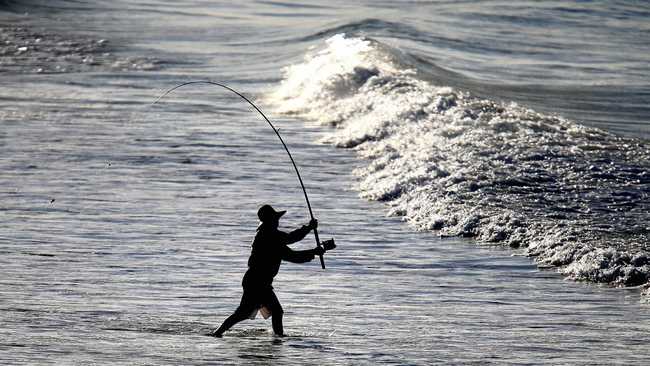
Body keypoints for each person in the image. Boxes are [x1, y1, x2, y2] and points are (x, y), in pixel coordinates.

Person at [209, 204, 333, 337]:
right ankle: (278, 339)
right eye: (275, 219)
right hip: (258, 282)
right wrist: (311, 239)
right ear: (270, 220)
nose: (277, 221)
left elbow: (291, 248)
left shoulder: (268, 235)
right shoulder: (269, 236)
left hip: (256, 281)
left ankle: (218, 333)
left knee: (244, 313)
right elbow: (292, 250)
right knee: (273, 311)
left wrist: (313, 244)